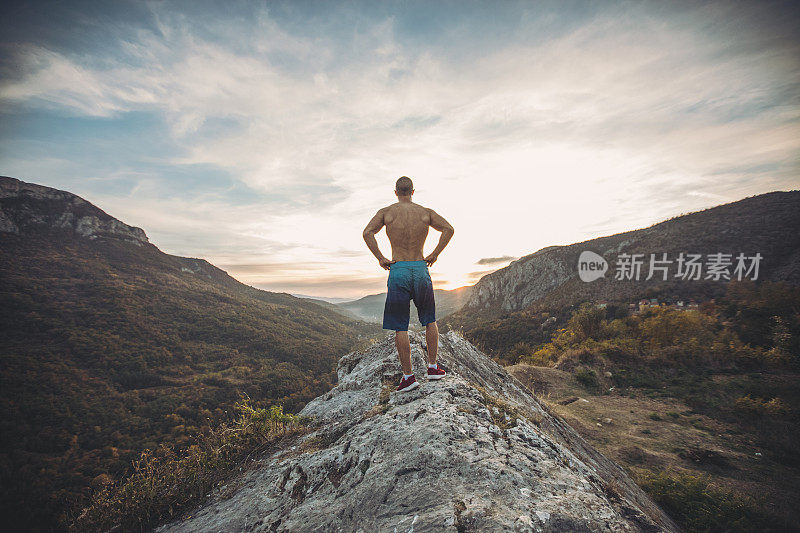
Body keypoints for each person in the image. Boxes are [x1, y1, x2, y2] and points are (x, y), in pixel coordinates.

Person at [362, 176, 455, 392]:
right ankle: (432, 368)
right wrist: (435, 254)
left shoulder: (387, 212)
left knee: (400, 326)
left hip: (399, 269)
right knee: (430, 320)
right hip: (421, 268)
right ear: (413, 191)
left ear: (396, 192)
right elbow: (449, 229)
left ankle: (408, 377)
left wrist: (380, 257)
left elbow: (367, 233)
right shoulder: (425, 212)